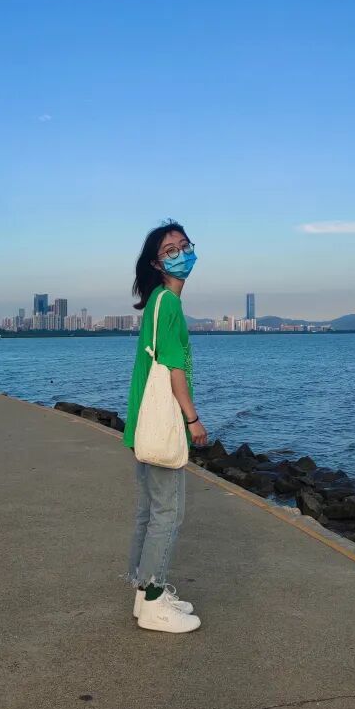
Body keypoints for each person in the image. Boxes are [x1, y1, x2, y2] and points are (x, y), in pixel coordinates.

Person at [122, 222, 206, 634]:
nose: (181, 254)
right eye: (170, 250)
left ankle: (143, 595)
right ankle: (154, 603)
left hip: (142, 421)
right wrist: (193, 419)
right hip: (162, 423)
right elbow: (174, 371)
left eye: (184, 245)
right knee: (168, 514)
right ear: (157, 263)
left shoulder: (157, 301)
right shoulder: (168, 303)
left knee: (149, 512)